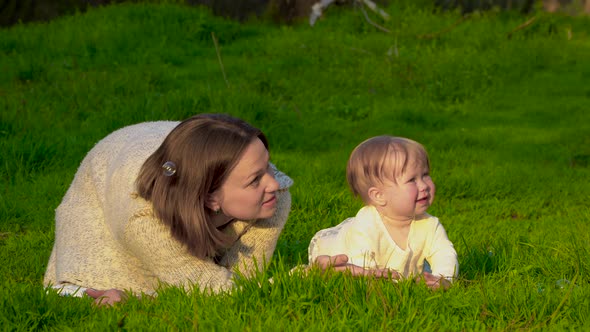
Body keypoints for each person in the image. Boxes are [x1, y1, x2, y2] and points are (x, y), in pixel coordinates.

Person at [43, 113, 294, 305]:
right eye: (255, 180)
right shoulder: (143, 218)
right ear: (210, 197)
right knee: (109, 293)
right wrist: (302, 277)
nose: (274, 183)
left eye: (268, 166)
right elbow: (214, 290)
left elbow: (241, 287)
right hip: (113, 171)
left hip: (173, 155)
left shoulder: (274, 196)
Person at [308, 136, 458, 289]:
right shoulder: (366, 224)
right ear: (379, 196)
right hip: (345, 261)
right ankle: (313, 267)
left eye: (425, 175)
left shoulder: (429, 224)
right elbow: (360, 265)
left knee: (423, 272)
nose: (424, 185)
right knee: (322, 273)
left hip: (393, 273)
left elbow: (444, 253)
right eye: (412, 180)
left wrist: (443, 279)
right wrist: (377, 284)